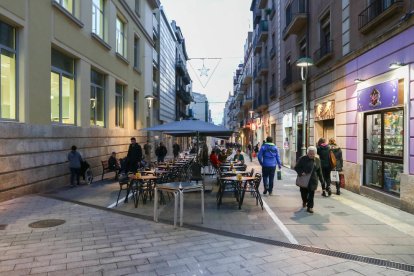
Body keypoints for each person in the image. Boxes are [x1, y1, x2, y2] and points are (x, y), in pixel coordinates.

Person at [294, 146, 325, 213]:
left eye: (313, 154)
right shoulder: (302, 159)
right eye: (310, 154)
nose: (311, 155)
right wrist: (301, 172)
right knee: (303, 193)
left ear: (315, 153)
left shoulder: (317, 160)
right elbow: (296, 167)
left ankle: (310, 207)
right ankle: (304, 201)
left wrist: (322, 181)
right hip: (304, 180)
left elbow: (319, 171)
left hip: (313, 180)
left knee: (311, 194)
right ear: (307, 153)